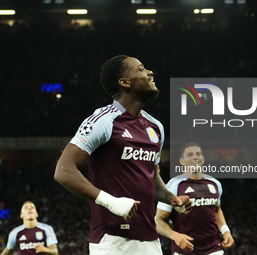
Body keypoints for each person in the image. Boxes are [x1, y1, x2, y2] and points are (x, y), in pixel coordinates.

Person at [54, 55, 192, 255]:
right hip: (112, 240)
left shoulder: (156, 128)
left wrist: (171, 198)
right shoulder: (102, 121)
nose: (150, 72)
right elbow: (63, 171)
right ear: (125, 82)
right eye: (142, 69)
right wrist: (111, 201)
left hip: (150, 239)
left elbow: (151, 180)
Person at [156, 143, 235, 255]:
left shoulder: (215, 184)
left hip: (214, 250)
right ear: (181, 161)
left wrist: (226, 231)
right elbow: (158, 221)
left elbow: (217, 210)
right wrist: (175, 236)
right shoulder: (174, 185)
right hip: (184, 251)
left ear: (203, 159)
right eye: (190, 154)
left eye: (198, 154)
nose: (195, 157)